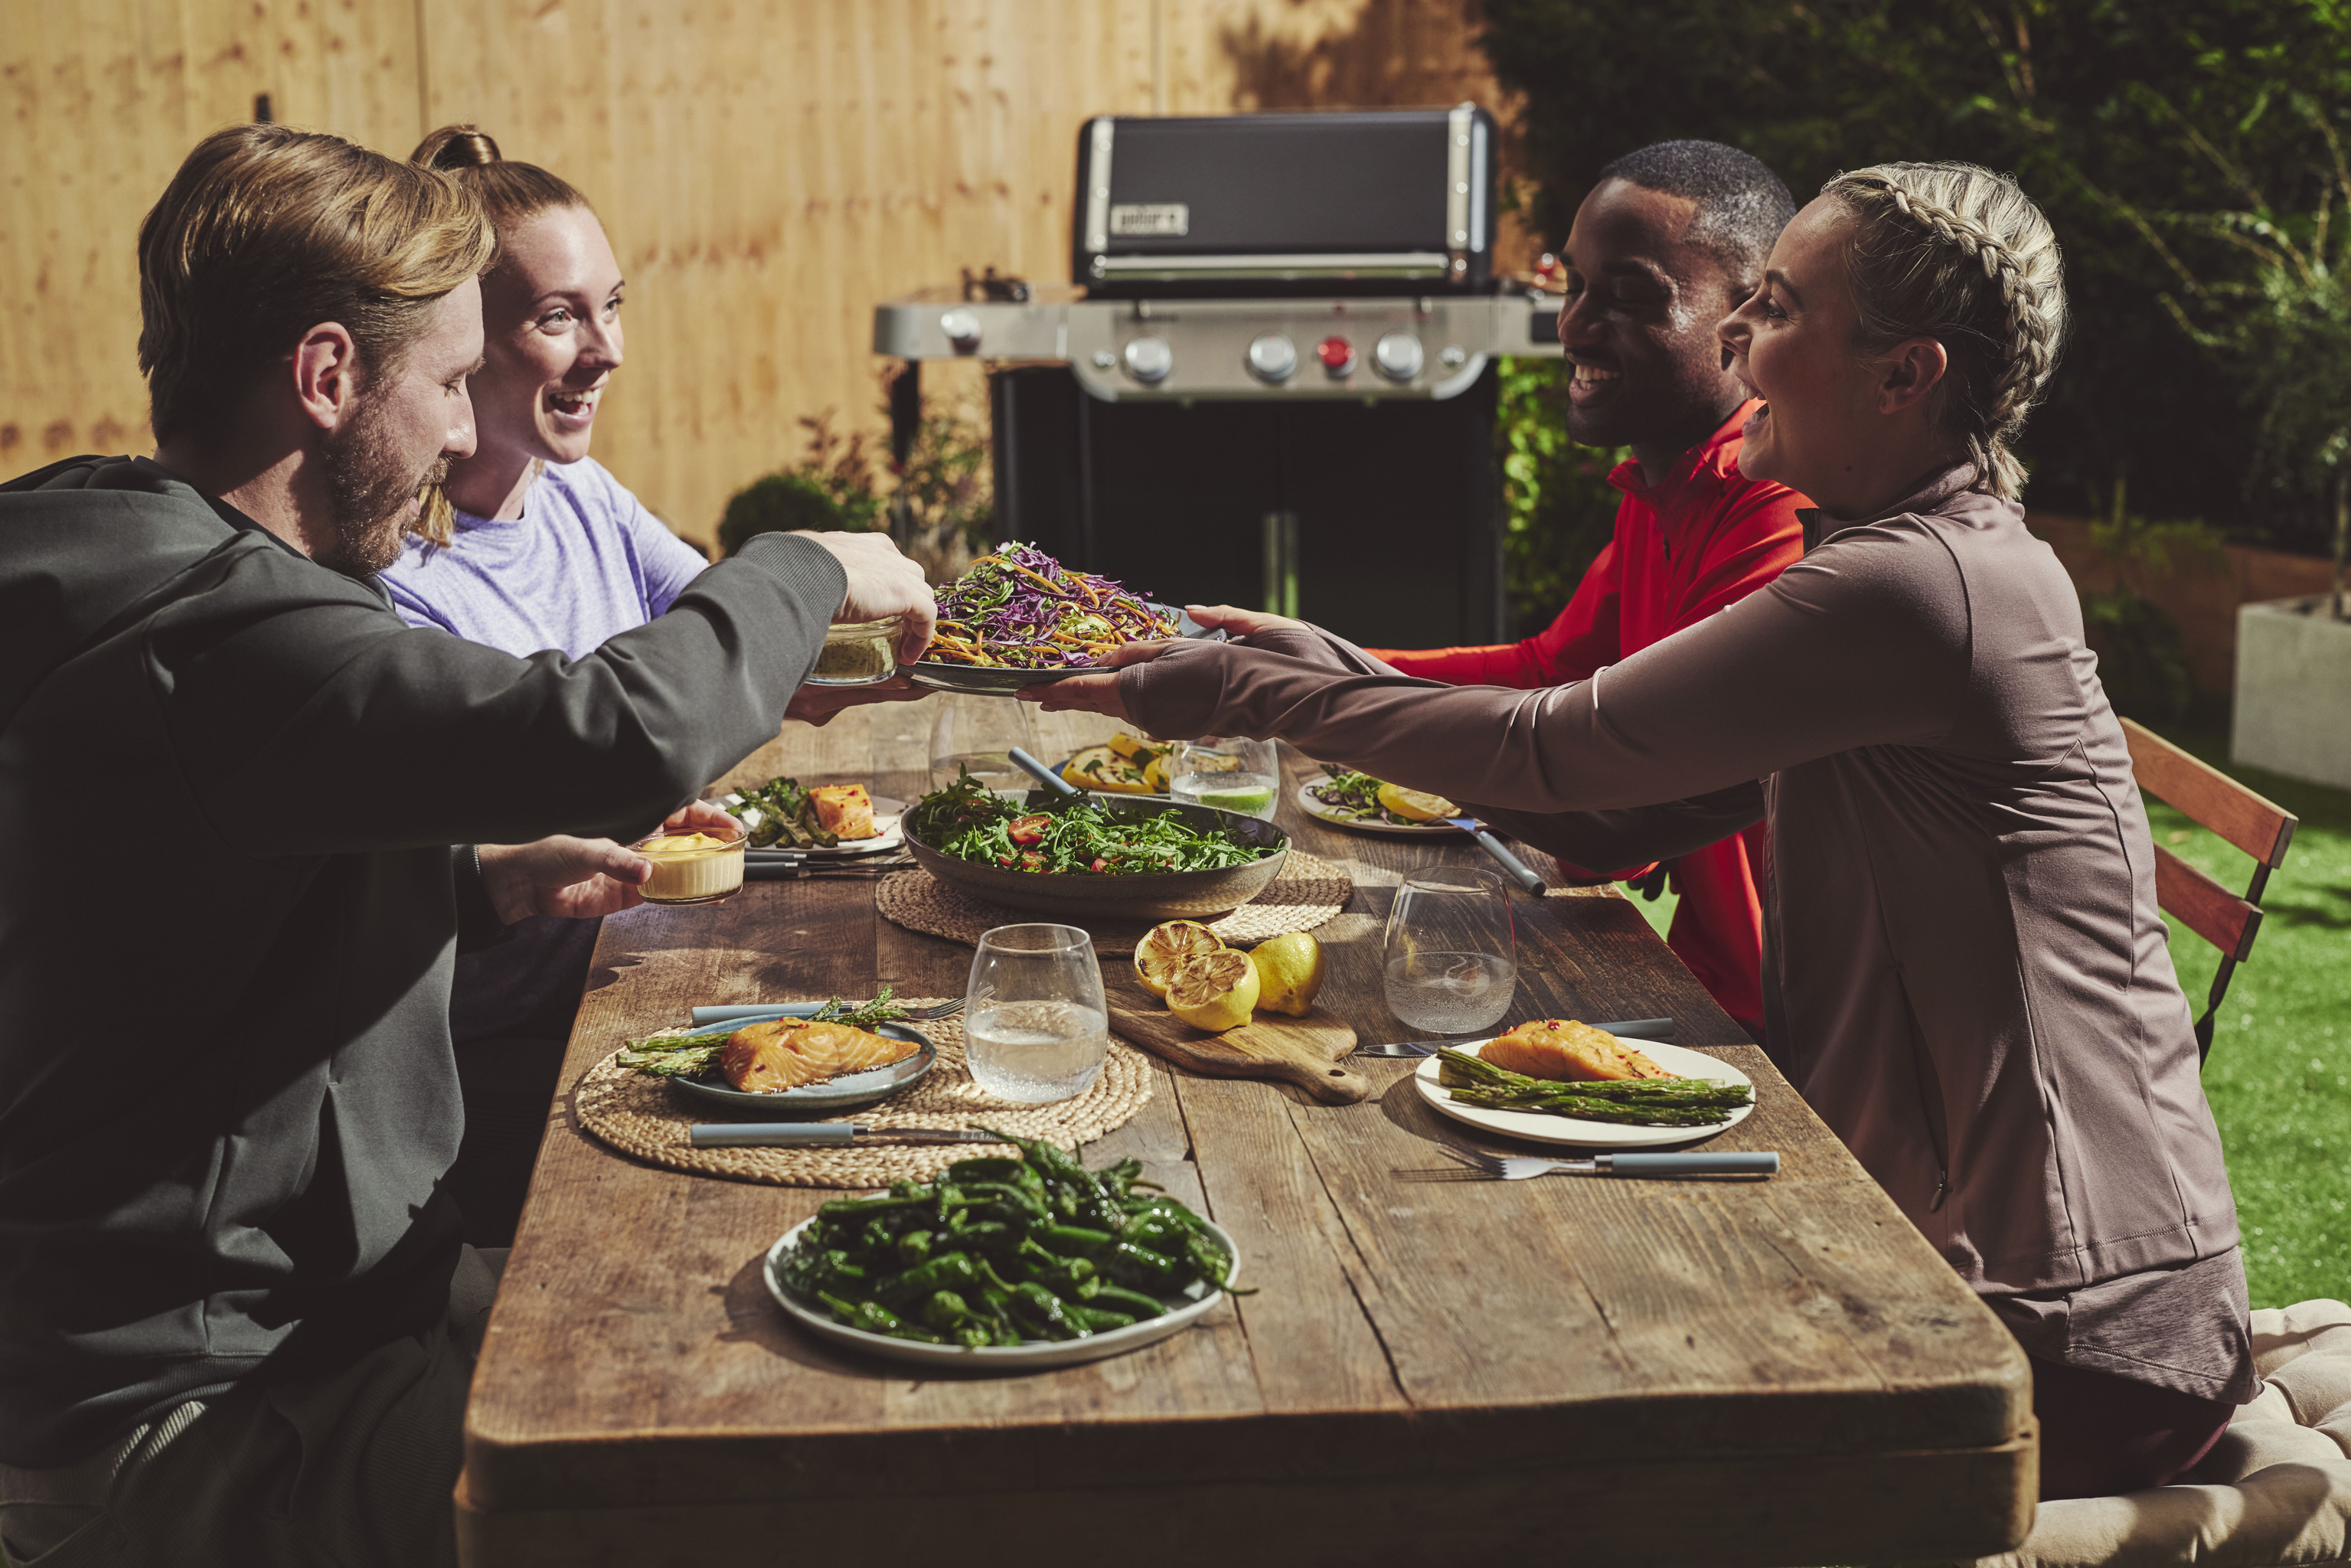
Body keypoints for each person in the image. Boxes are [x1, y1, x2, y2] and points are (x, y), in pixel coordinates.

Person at [1034, 162, 2255, 1499]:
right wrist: (1322, 665)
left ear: (1905, 375)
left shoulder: (1914, 587)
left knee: (1496, 1422)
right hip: (1977, 1267)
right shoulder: (1914, 563)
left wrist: (1245, 694)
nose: (1739, 342)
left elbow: (1555, 749)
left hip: (2063, 1333)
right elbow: (1624, 798)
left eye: (1777, 308)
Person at [0, 124, 932, 1566]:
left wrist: (467, 887)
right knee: (769, 1490)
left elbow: (183, 898)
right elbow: (604, 732)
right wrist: (806, 563)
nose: (455, 435)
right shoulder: (228, 635)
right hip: (222, 1415)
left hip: (334, 1312)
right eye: (445, 384)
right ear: (325, 379)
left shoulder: (121, 557)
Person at [374, 125, 921, 1247]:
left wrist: (979, 646)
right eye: (558, 315)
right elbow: (593, 757)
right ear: (461, 336)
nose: (606, 350)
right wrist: (796, 589)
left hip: (639, 979)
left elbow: (751, 654)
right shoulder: (393, 583)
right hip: (512, 1058)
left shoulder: (580, 494)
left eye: (611, 305)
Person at [1360, 139, 1807, 1040]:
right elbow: (1547, 667)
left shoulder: (1772, 510)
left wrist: (1308, 703)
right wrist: (1317, 661)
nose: (1571, 326)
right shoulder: (1662, 480)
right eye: (1572, 287)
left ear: (1748, 318)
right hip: (1693, 982)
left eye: (1630, 298)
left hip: (1782, 1039)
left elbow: (1614, 818)